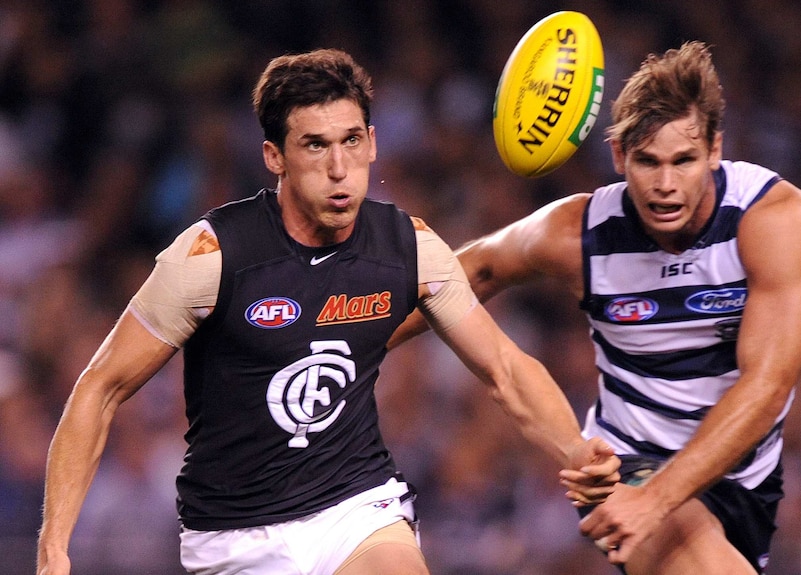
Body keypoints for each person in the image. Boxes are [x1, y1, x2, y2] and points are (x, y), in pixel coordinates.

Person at [35, 49, 620, 575]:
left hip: (355, 507)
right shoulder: (212, 255)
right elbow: (101, 388)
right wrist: (54, 548)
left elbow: (505, 368)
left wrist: (574, 449)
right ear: (274, 156)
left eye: (351, 141)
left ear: (372, 141)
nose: (340, 168)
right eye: (315, 145)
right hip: (235, 536)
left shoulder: (408, 249)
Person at [390, 41, 801, 574]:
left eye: (683, 161)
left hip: (744, 474)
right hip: (626, 467)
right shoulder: (577, 232)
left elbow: (767, 386)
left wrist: (661, 496)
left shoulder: (774, 219)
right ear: (618, 156)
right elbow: (469, 271)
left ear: (715, 150)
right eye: (646, 162)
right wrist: (350, 342)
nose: (665, 185)